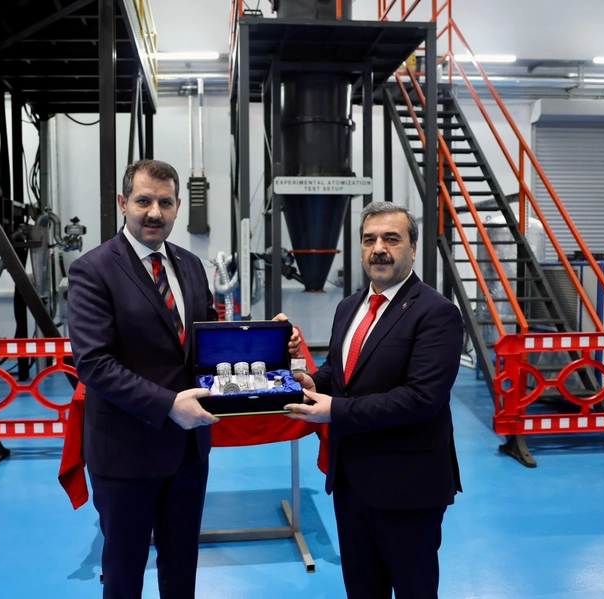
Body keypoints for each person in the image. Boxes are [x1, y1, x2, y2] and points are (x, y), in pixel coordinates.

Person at [67, 159, 298, 599]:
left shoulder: (190, 265)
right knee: (124, 571)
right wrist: (168, 405)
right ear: (122, 203)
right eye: (143, 201)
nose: (154, 212)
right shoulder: (93, 270)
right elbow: (94, 364)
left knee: (181, 564)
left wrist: (268, 345)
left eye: (165, 202)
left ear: (176, 207)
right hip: (126, 452)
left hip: (188, 451)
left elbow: (209, 346)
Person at [284, 201, 463, 599]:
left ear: (412, 248)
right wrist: (311, 380)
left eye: (391, 239)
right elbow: (338, 371)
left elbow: (422, 398)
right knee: (362, 589)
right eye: (369, 239)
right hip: (351, 482)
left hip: (407, 488)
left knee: (415, 589)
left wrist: (335, 410)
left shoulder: (436, 313)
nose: (378, 248)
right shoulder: (349, 307)